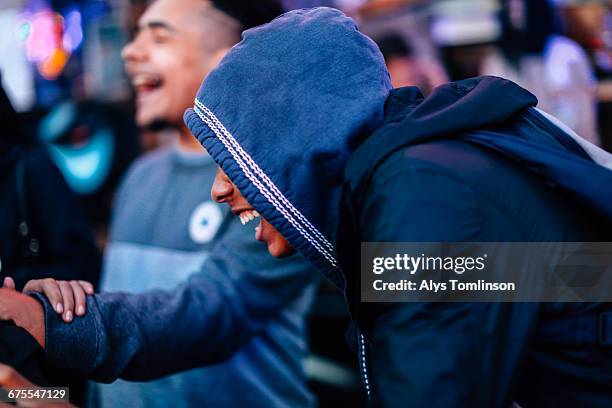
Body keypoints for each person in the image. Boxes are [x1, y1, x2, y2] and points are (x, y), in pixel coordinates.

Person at [178, 7, 612, 406]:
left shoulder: (421, 195)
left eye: (233, 160)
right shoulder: (419, 176)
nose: (218, 190)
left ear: (293, 139)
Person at [1, 1, 320, 407]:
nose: (130, 51)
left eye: (158, 36)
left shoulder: (270, 184)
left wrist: (40, 318)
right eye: (137, 35)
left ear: (229, 61)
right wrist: (59, 303)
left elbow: (206, 315)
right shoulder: (140, 176)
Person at [480, 0, 600, 146]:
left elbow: (586, 107)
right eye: (511, 6)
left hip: (569, 140)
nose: (515, 13)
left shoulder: (566, 51)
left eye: (520, 6)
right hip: (523, 145)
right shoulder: (498, 59)